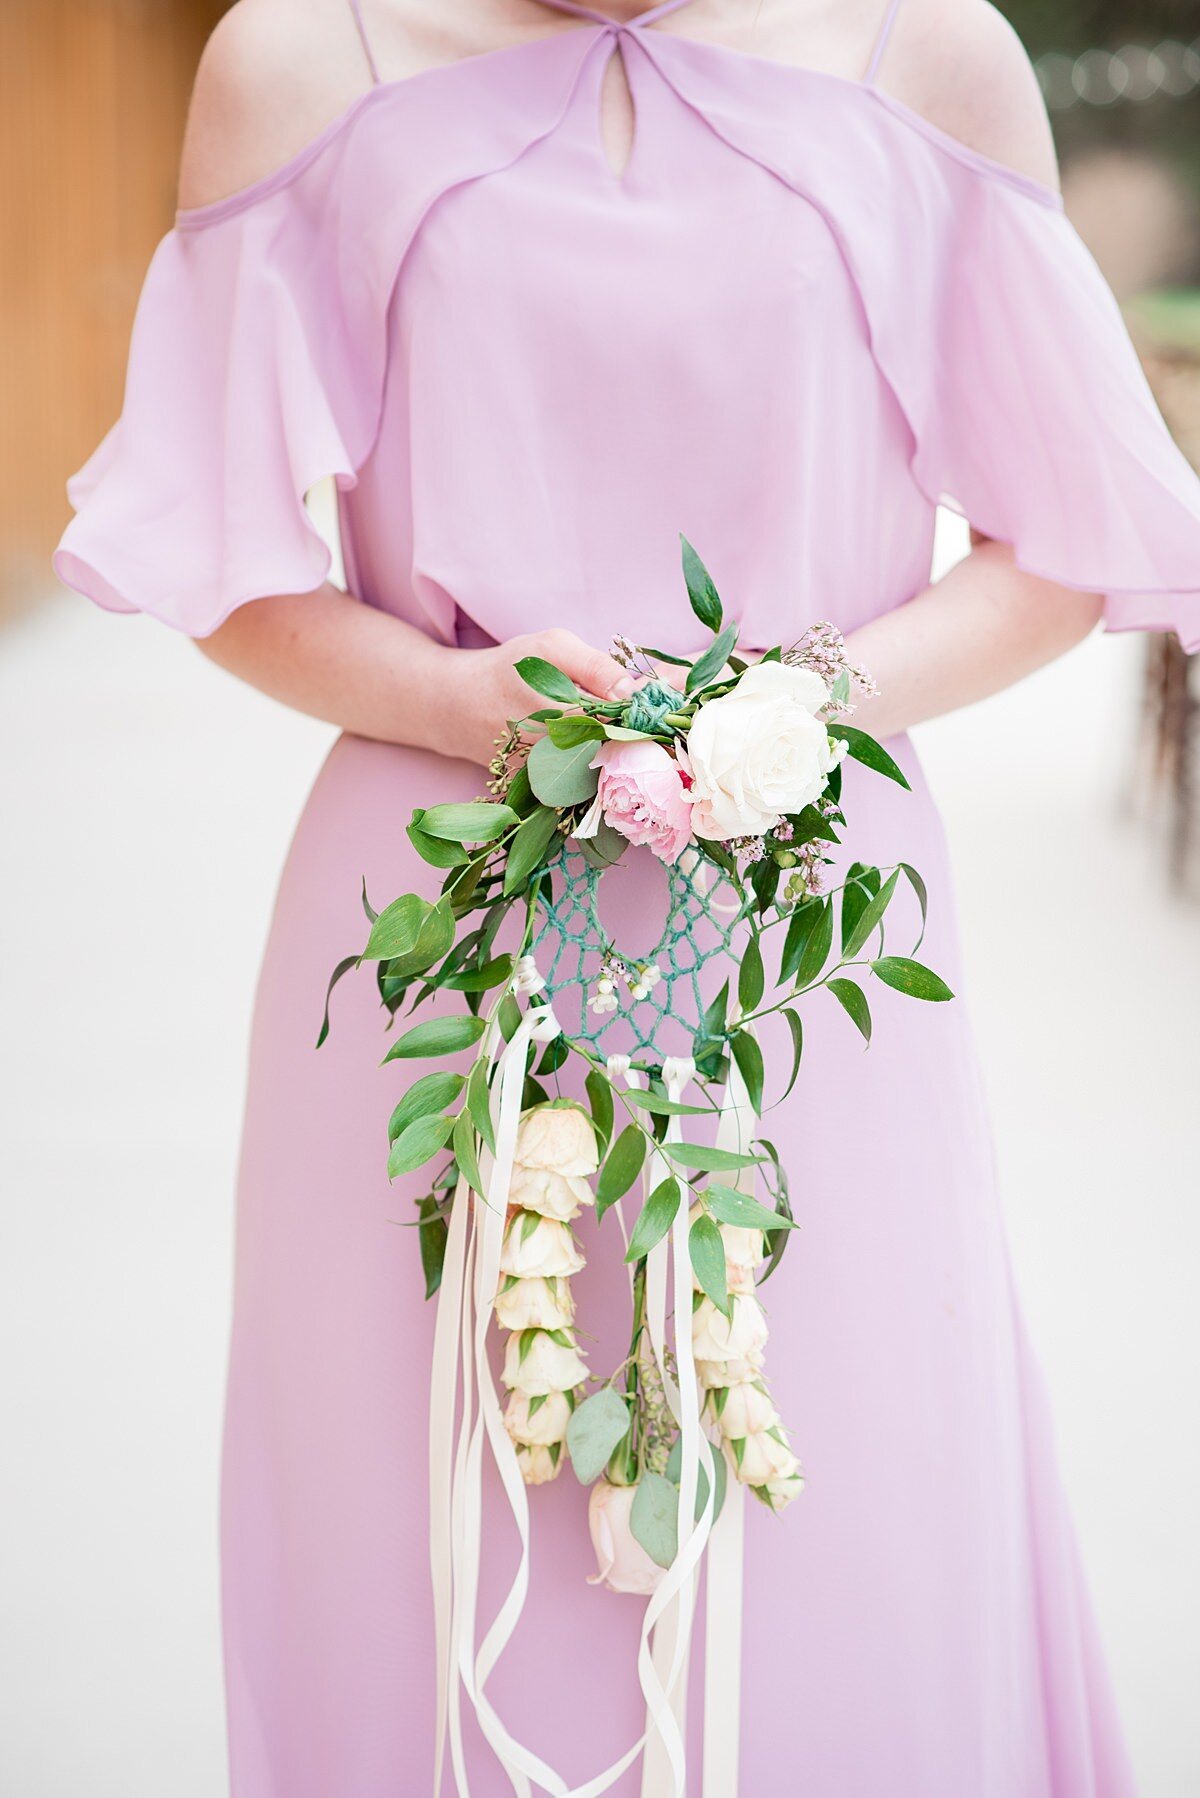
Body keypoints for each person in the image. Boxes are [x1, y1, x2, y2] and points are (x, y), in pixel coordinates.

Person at [54, 1, 1200, 1792]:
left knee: (853, 1511)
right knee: (430, 1516)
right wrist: (454, 697)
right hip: (433, 922)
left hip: (812, 918)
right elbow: (210, 551)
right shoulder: (297, 59)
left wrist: (805, 700)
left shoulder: (927, 49)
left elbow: (1065, 545)